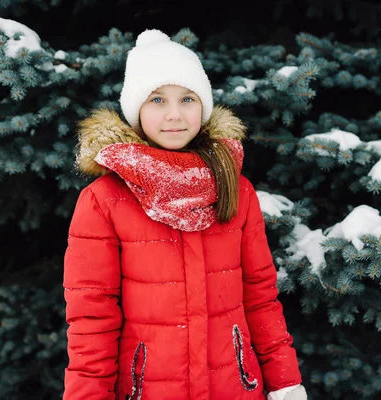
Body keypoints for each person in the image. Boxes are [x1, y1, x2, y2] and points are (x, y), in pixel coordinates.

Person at [62, 29, 306, 400]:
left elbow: (260, 296)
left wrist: (286, 381)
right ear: (136, 109)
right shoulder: (104, 200)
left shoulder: (236, 189)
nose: (174, 115)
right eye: (157, 99)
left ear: (203, 107)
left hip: (235, 389)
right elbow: (92, 317)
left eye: (187, 99)